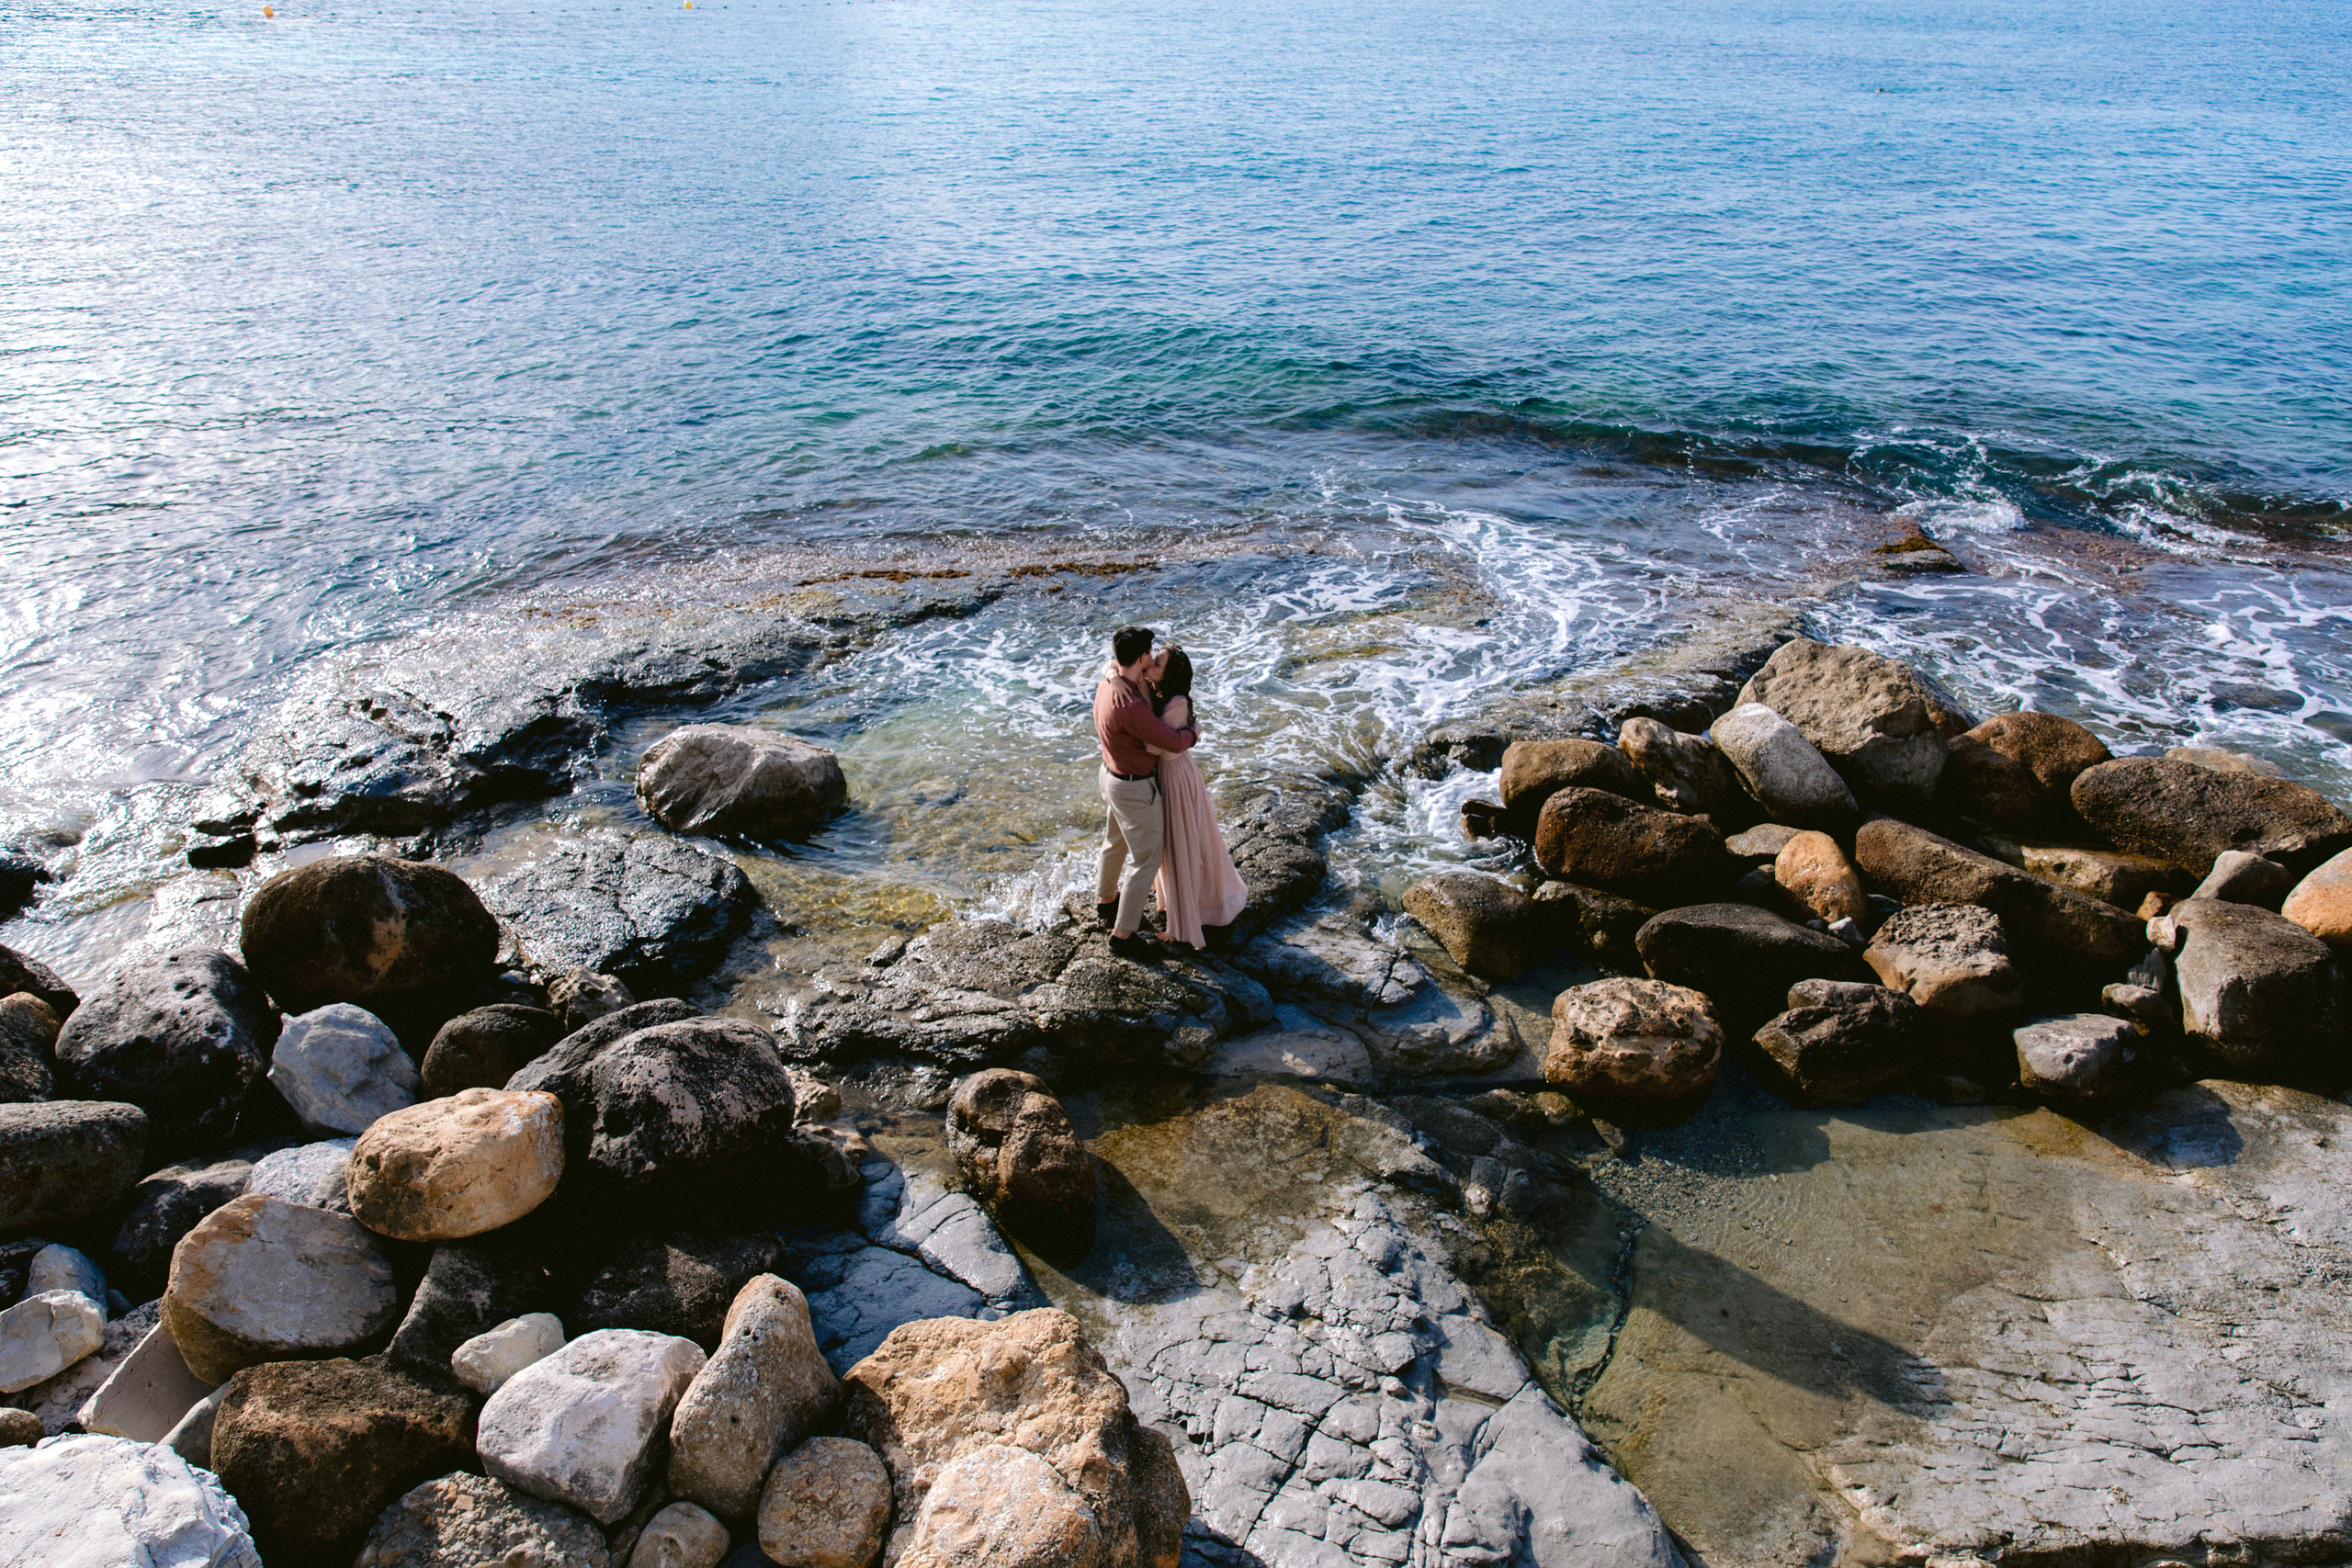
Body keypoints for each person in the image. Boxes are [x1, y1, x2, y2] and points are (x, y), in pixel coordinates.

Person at [1092, 626, 1198, 960]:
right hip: (1133, 787)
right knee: (1146, 858)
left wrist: (1112, 675)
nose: (1152, 658)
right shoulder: (1131, 704)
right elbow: (1170, 743)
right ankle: (1123, 935)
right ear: (1140, 658)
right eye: (1150, 654)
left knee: (1115, 843)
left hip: (1109, 777)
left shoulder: (1112, 685)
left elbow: (1110, 666)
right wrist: (1194, 733)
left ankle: (1106, 902)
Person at [1142, 648, 1249, 950]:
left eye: (1158, 662)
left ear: (1169, 674)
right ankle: (1177, 906)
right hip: (1171, 775)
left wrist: (1182, 735)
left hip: (1176, 778)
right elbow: (1112, 665)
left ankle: (1182, 928)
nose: (1151, 663)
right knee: (1178, 844)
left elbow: (1162, 749)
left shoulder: (1177, 703)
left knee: (1181, 847)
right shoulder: (1161, 695)